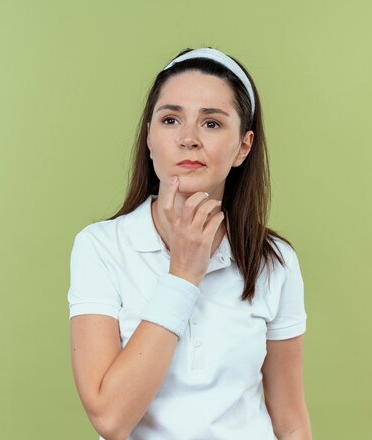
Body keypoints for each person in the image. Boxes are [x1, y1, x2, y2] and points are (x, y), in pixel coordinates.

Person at [67, 47, 313, 440]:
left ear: (243, 147)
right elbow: (111, 419)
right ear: (149, 136)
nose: (188, 139)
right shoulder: (100, 248)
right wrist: (183, 274)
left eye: (212, 124)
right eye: (170, 119)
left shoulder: (274, 261)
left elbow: (291, 419)